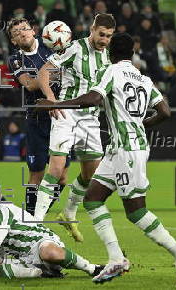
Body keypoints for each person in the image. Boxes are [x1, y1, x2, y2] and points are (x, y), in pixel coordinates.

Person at [37, 33, 176, 287]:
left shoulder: (111, 71)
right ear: (132, 53)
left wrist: (55, 104)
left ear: (111, 52)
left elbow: (92, 99)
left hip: (128, 151)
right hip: (120, 148)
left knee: (136, 212)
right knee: (92, 199)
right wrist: (140, 124)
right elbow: (165, 111)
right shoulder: (143, 78)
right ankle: (115, 259)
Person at [34, 13, 116, 242]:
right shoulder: (74, 48)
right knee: (56, 169)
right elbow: (43, 72)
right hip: (66, 114)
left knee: (91, 175)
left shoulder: (109, 56)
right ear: (92, 28)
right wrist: (51, 100)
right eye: (101, 34)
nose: (104, 40)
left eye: (109, 36)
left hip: (91, 120)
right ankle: (37, 224)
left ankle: (68, 213)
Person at [0, 188, 104, 280]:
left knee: (50, 252)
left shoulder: (0, 211)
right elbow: (0, 250)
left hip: (42, 244)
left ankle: (93, 269)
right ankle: (42, 273)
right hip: (26, 259)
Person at [7, 18, 70, 220]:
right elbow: (31, 85)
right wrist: (53, 73)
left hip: (61, 117)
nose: (22, 33)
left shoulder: (52, 47)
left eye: (25, 29)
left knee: (62, 178)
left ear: (34, 31)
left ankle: (37, 214)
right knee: (37, 173)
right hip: (37, 120)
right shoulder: (16, 59)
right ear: (14, 41)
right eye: (16, 32)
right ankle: (30, 218)